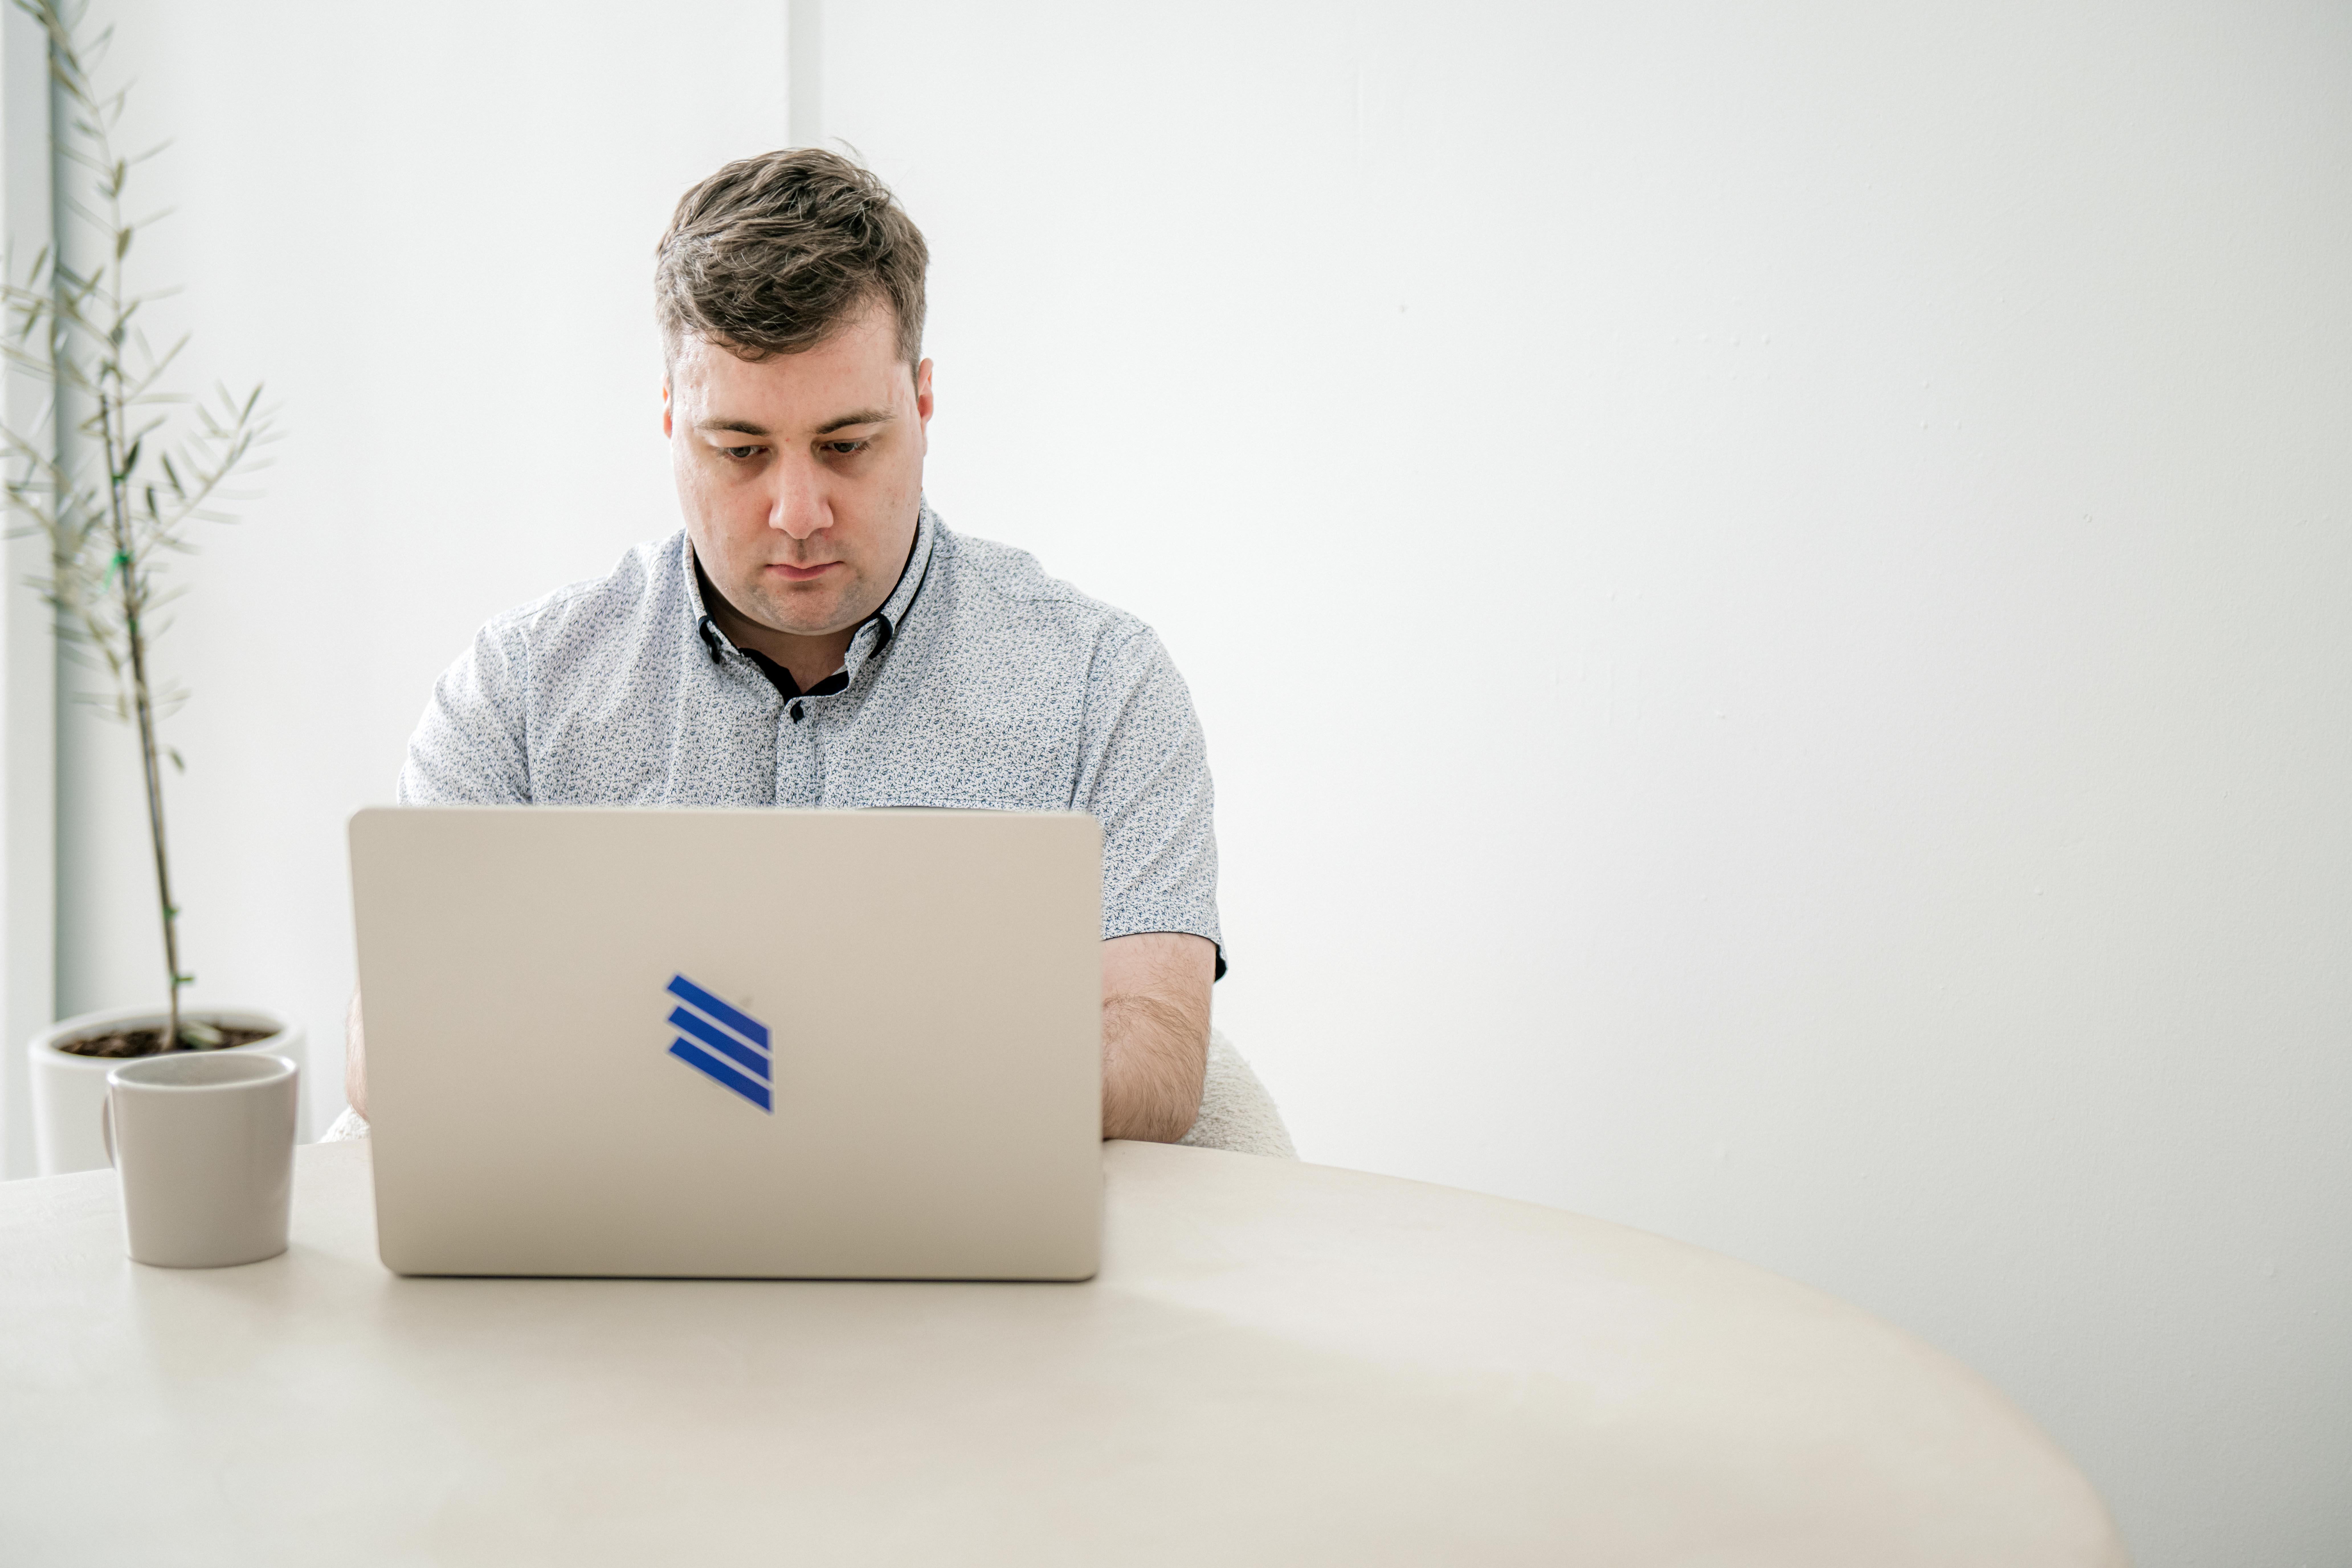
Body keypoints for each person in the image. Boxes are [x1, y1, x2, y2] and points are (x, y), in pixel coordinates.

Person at [343, 149, 1221, 1142]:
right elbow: (400, 1048)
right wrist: (866, 1067)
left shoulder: (1101, 684)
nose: (799, 513)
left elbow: (1155, 1058)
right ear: (671, 417)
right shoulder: (518, 693)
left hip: (963, 1265)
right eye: (741, 450)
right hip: (612, 1259)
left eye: (847, 444)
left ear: (924, 406)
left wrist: (728, 1067)